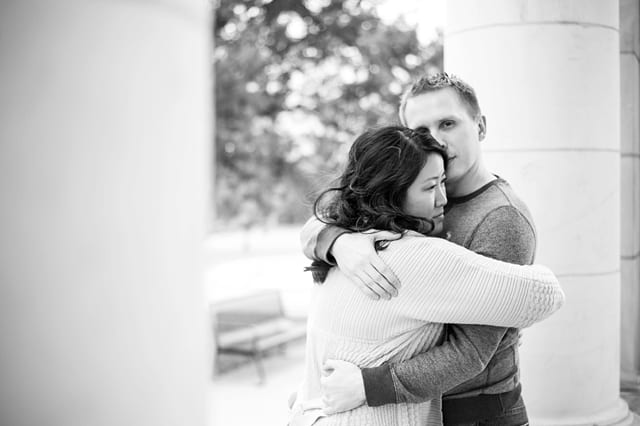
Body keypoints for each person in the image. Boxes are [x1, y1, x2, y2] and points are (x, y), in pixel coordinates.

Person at [300, 73, 539, 425]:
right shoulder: (407, 197)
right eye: (424, 131)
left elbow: (472, 351)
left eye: (448, 123)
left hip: (475, 412)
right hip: (420, 409)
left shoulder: (500, 217)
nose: (438, 140)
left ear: (481, 127)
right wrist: (338, 241)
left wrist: (369, 385)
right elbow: (317, 224)